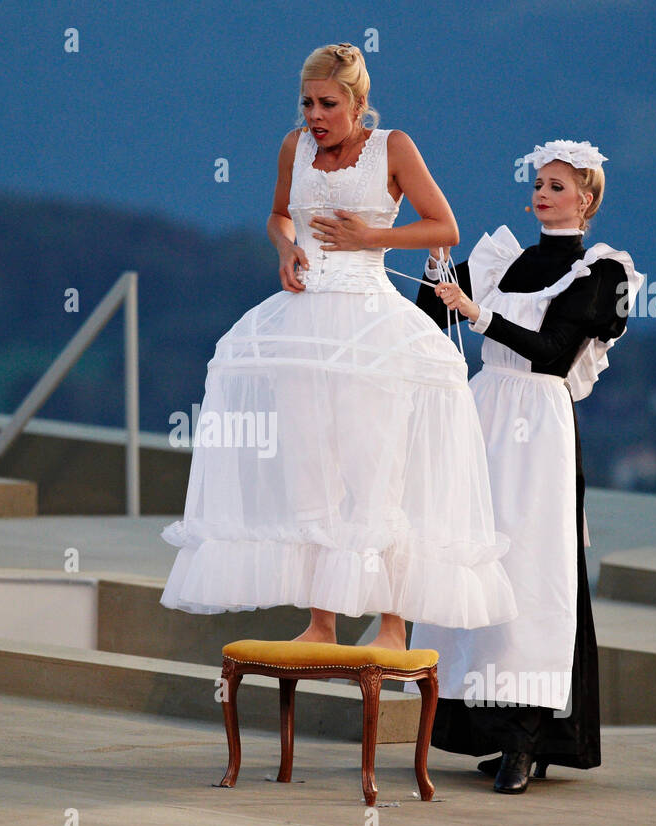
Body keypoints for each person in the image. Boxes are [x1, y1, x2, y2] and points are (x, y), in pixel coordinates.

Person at [160, 43, 517, 648]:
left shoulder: (392, 147)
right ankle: (322, 619)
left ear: (358, 104)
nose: (314, 115)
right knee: (310, 464)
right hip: (304, 321)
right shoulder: (293, 147)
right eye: (306, 102)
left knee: (375, 464)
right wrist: (285, 247)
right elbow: (278, 215)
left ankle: (393, 623)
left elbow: (444, 226)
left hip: (369, 321)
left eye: (327, 103)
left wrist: (370, 235)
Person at [409, 140, 644, 793]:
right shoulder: (501, 259)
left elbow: (552, 354)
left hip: (539, 423)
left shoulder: (604, 272)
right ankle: (486, 729)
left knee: (534, 568)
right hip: (483, 412)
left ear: (587, 199)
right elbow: (431, 313)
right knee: (477, 556)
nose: (544, 193)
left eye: (559, 186)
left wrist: (476, 312)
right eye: (539, 183)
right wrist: (435, 277)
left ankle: (528, 738)